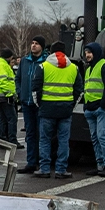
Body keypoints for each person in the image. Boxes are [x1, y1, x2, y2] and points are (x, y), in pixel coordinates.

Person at [33, 41, 83, 179]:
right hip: (65, 109)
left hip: (47, 109)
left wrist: (40, 105)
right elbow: (79, 90)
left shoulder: (43, 66)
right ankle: (61, 170)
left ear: (51, 52)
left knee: (45, 140)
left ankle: (44, 169)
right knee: (63, 141)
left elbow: (35, 88)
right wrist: (71, 105)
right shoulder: (73, 68)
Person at [82, 41, 105, 176]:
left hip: (102, 108)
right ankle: (100, 165)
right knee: (95, 138)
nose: (87, 55)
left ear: (95, 53)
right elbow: (88, 89)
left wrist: (103, 105)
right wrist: (86, 107)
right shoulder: (89, 68)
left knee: (102, 136)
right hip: (91, 108)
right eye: (86, 53)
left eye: (89, 52)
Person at [17, 36, 48, 173]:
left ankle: (43, 163)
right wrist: (20, 93)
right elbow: (18, 79)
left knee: (42, 134)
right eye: (32, 43)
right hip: (27, 102)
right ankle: (31, 162)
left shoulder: (46, 61)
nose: (33, 46)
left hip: (40, 104)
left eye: (37, 44)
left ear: (42, 46)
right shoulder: (25, 61)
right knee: (30, 134)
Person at [0, 47, 19, 147]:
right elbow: (3, 81)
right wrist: (10, 94)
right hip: (4, 96)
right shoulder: (3, 65)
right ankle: (12, 140)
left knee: (3, 118)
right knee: (12, 118)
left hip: (0, 95)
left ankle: (2, 139)